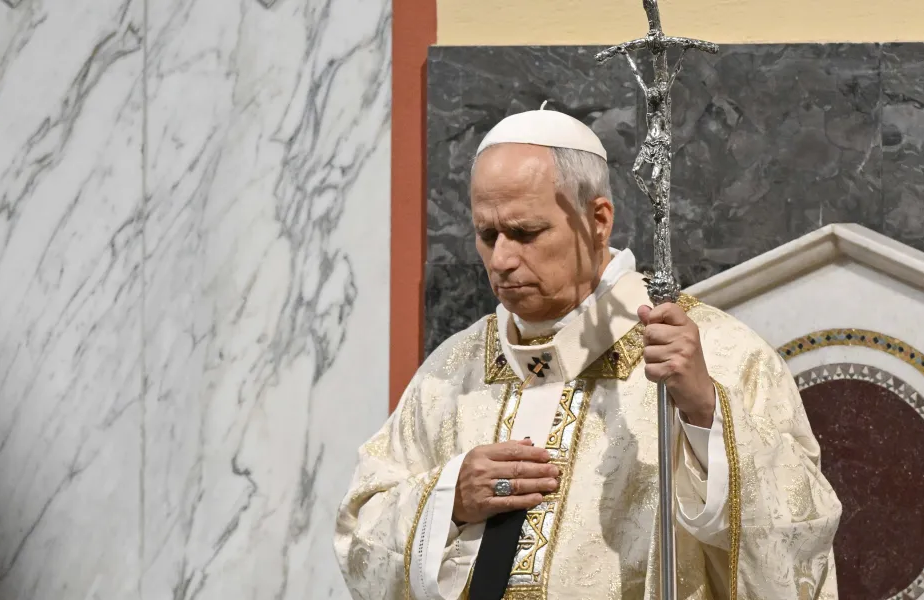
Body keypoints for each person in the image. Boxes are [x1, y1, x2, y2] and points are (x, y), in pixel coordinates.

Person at [334, 109, 841, 599]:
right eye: (487, 235)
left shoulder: (722, 356)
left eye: (525, 233)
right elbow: (360, 532)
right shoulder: (450, 374)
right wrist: (448, 500)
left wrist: (706, 414)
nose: (502, 260)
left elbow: (799, 537)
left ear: (598, 220)